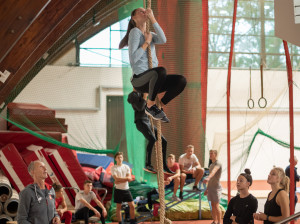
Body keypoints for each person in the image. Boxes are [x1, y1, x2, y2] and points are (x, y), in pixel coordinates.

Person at [119, 7, 186, 121]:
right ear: (134, 18)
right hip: (140, 80)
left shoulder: (149, 34)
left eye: (145, 11)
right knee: (161, 71)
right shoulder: (135, 32)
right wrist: (147, 42)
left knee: (181, 80)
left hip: (153, 81)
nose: (144, 12)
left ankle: (159, 106)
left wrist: (153, 18)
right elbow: (133, 59)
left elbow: (163, 39)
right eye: (141, 11)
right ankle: (150, 105)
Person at [127, 90, 172, 173]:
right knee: (152, 139)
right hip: (141, 121)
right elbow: (140, 108)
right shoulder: (133, 95)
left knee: (164, 141)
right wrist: (144, 97)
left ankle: (164, 165)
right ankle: (148, 164)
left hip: (147, 122)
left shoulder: (144, 93)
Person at [111, 152, 136, 224]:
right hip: (118, 190)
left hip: (126, 189)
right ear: (115, 159)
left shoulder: (126, 167)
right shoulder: (113, 168)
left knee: (132, 206)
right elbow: (116, 179)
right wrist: (125, 179)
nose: (120, 159)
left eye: (121, 157)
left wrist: (119, 180)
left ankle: (132, 221)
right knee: (118, 207)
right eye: (118, 157)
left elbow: (128, 178)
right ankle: (120, 222)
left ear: (123, 158)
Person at [203, 149, 222, 224]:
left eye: (212, 153)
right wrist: (207, 189)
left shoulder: (218, 163)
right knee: (212, 205)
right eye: (210, 153)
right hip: (211, 187)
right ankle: (214, 221)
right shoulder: (211, 165)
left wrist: (208, 177)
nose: (210, 155)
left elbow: (214, 172)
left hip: (216, 188)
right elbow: (211, 178)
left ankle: (219, 222)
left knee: (216, 205)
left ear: (215, 154)